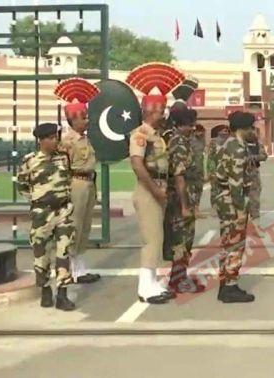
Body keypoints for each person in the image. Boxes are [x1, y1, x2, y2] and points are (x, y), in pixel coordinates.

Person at [127, 63, 183, 305]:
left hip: (157, 188)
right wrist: (156, 190)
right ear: (152, 111)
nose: (165, 114)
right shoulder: (140, 133)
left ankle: (151, 282)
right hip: (149, 190)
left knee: (157, 238)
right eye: (162, 110)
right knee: (151, 239)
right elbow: (137, 164)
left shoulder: (156, 135)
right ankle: (145, 288)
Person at [17, 123, 76, 311]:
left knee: (64, 252)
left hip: (63, 211)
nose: (54, 141)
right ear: (41, 140)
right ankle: (44, 290)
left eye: (55, 137)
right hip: (42, 213)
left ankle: (62, 294)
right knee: (41, 253)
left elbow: (68, 179)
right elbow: (22, 186)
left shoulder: (63, 158)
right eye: (50, 138)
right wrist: (38, 200)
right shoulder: (30, 161)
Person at [54, 77, 101, 284]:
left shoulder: (85, 138)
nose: (87, 120)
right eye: (84, 117)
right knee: (75, 225)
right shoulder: (67, 141)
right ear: (73, 119)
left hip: (89, 183)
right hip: (76, 185)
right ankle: (73, 269)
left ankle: (80, 267)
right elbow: (62, 167)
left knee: (85, 226)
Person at [213, 111, 256, 303]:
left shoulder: (226, 144)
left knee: (227, 242)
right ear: (242, 129)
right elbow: (236, 182)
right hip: (233, 201)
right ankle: (230, 287)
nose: (253, 131)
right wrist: (240, 208)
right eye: (251, 128)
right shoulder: (237, 148)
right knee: (235, 244)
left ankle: (225, 283)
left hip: (223, 199)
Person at [163, 107, 206, 294]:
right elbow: (179, 176)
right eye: (190, 125)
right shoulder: (179, 143)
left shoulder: (185, 141)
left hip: (188, 198)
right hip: (181, 201)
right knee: (181, 241)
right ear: (180, 124)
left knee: (186, 240)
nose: (193, 127)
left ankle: (179, 277)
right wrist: (185, 206)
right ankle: (178, 280)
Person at [245, 127, 268, 223]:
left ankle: (255, 222)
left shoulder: (257, 144)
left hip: (253, 173)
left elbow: (264, 156)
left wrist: (253, 158)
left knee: (254, 199)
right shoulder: (240, 143)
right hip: (239, 174)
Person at [188, 123, 206, 218]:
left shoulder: (202, 140)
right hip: (192, 168)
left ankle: (197, 208)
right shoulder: (190, 140)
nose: (201, 134)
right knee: (191, 190)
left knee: (199, 189)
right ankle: (192, 209)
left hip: (200, 167)